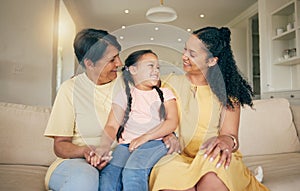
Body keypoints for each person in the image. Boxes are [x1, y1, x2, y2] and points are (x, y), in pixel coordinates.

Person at [44, 29, 179, 191]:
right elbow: (60, 145)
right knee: (85, 182)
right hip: (80, 162)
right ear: (89, 63)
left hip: (128, 153)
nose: (119, 63)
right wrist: (87, 151)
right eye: (112, 59)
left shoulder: (131, 82)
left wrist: (167, 133)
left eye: (118, 55)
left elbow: (158, 105)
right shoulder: (70, 89)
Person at [149, 26, 270, 191]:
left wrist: (226, 140)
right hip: (176, 156)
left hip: (212, 154)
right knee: (170, 176)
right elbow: (148, 117)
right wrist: (167, 133)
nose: (184, 56)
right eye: (185, 49)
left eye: (192, 54)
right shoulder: (167, 83)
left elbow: (231, 136)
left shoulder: (227, 93)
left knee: (211, 178)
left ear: (212, 61)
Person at [90, 49, 179, 191]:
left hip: (155, 142)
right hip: (126, 145)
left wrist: (145, 137)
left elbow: (172, 122)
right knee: (109, 178)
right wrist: (103, 147)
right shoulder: (124, 95)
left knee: (133, 171)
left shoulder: (165, 93)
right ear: (133, 70)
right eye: (150, 66)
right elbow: (112, 125)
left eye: (157, 67)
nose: (156, 70)